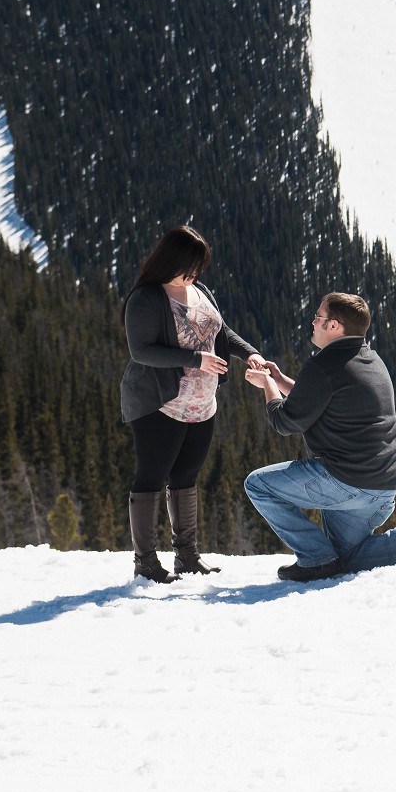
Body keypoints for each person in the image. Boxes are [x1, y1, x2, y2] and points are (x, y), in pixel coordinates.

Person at [242, 292, 396, 581]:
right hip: (383, 488)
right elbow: (321, 398)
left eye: (318, 317)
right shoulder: (371, 359)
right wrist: (280, 381)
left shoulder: (323, 366)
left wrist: (267, 385)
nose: (313, 322)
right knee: (345, 559)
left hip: (345, 482)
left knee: (258, 485)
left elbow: (284, 421)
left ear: (334, 326)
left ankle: (315, 559)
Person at [119, 224, 266, 584]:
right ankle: (146, 562)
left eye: (199, 267)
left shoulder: (200, 292)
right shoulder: (147, 299)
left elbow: (222, 333)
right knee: (151, 478)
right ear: (170, 260)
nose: (195, 273)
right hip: (160, 404)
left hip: (203, 406)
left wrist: (251, 354)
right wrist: (197, 359)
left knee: (186, 477)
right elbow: (142, 351)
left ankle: (186, 556)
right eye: (190, 266)